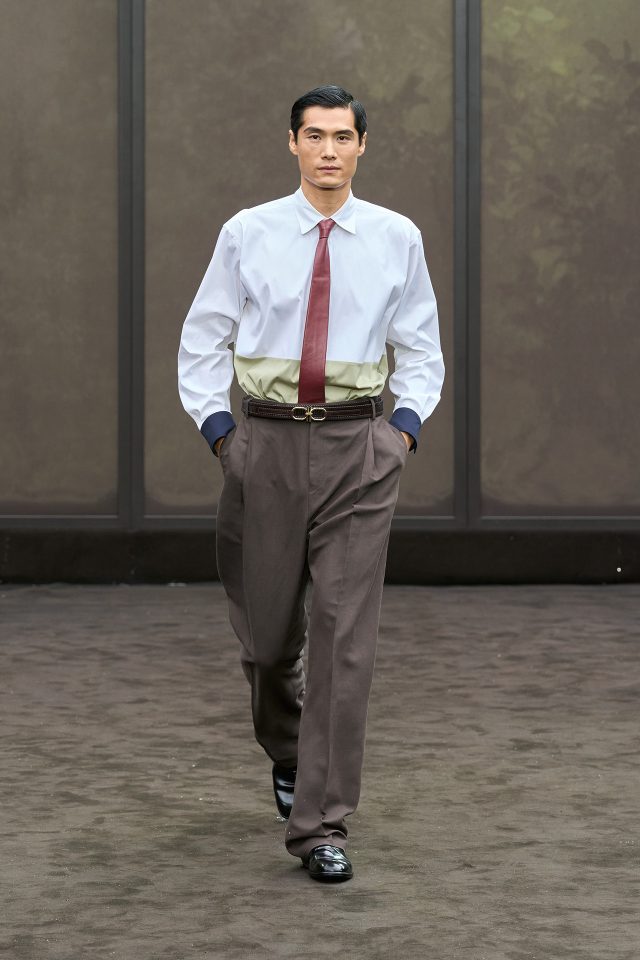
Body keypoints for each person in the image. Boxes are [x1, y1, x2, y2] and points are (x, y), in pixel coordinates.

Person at [177, 84, 444, 883]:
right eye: (315, 135)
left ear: (362, 146)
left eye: (343, 136)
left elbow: (421, 347)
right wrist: (223, 437)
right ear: (292, 143)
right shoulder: (248, 233)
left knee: (341, 641)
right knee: (267, 645)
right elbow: (204, 338)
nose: (329, 149)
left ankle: (321, 824)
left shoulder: (396, 238)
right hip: (263, 448)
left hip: (359, 450)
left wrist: (400, 433)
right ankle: (291, 750)